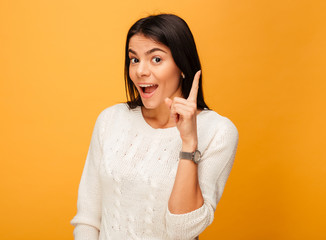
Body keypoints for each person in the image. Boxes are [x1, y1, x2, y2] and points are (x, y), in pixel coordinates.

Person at [70, 13, 239, 240]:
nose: (140, 71)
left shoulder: (219, 131)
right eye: (134, 59)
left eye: (156, 59)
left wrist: (189, 143)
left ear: (182, 65)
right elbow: (88, 218)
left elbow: (183, 230)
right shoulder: (111, 119)